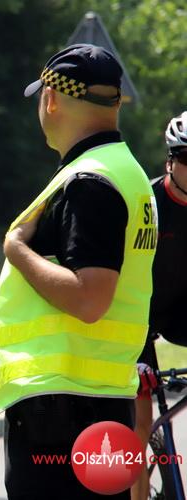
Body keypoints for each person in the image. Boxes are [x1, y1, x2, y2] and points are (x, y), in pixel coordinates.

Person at [0, 44, 157, 499]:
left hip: (60, 410)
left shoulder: (89, 181)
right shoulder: (129, 174)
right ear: (116, 101)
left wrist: (17, 249)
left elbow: (90, 298)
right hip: (98, 397)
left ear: (51, 99)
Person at [131, 111, 187, 500]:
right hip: (136, 319)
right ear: (170, 160)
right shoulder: (146, 205)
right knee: (139, 421)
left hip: (181, 313)